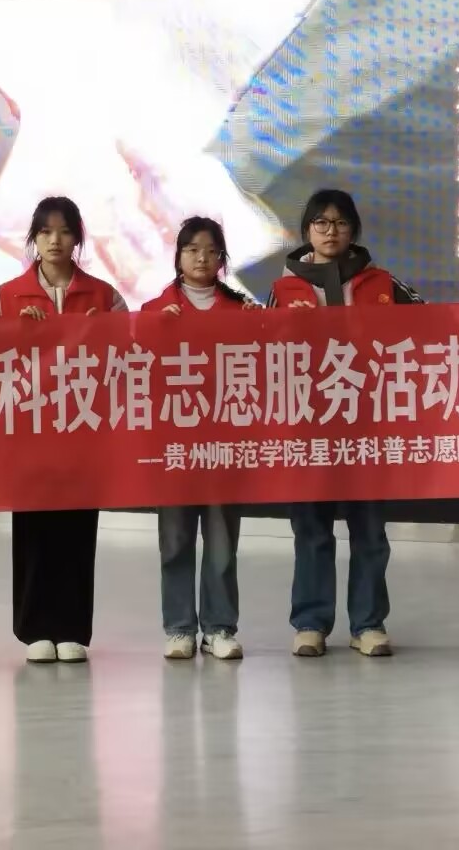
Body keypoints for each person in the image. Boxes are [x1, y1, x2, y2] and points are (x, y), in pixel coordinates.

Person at [266, 189, 423, 659]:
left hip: (367, 427)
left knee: (369, 531)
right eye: (321, 222)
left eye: (339, 222)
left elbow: (437, 325)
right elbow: (257, 351)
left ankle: (368, 623)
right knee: (311, 530)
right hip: (307, 427)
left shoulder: (383, 283)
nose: (330, 231)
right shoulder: (283, 289)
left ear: (353, 230)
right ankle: (310, 623)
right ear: (307, 230)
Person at [0, 196, 127, 663]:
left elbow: (130, 356)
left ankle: (72, 629)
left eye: (64, 231)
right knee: (34, 531)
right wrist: (12, 334)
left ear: (77, 238)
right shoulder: (7, 297)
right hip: (29, 436)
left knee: (77, 532)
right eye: (45, 232)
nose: (55, 240)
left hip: (84, 433)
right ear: (34, 239)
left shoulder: (105, 297)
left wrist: (106, 334)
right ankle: (34, 629)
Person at [143, 217, 259, 661]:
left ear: (222, 259)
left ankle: (219, 627)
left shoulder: (241, 310)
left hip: (223, 444)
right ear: (178, 256)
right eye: (192, 249)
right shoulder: (155, 310)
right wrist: (154, 330)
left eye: (211, 251)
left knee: (222, 541)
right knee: (174, 539)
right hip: (173, 445)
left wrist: (261, 327)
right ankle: (178, 628)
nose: (202, 258)